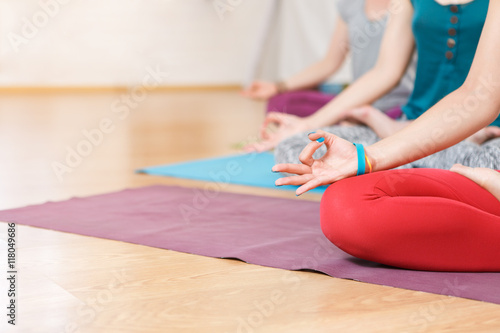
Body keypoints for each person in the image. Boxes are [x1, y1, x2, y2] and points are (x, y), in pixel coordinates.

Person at [271, 0, 500, 272]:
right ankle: (411, 153)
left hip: (486, 140)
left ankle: (417, 155)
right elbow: (478, 95)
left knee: (487, 158)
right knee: (336, 195)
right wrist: (365, 157)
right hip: (422, 127)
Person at [261, 0, 500, 172]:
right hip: (412, 124)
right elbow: (385, 71)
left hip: (488, 133)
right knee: (295, 148)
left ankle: (403, 165)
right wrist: (309, 123)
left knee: (490, 162)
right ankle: (414, 165)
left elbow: (480, 95)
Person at [241, 0, 414, 147]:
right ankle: (351, 125)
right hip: (358, 101)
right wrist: (277, 87)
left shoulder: (408, 5)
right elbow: (330, 62)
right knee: (281, 102)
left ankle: (356, 127)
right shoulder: (351, 4)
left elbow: (386, 73)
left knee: (397, 121)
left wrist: (311, 123)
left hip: (397, 109)